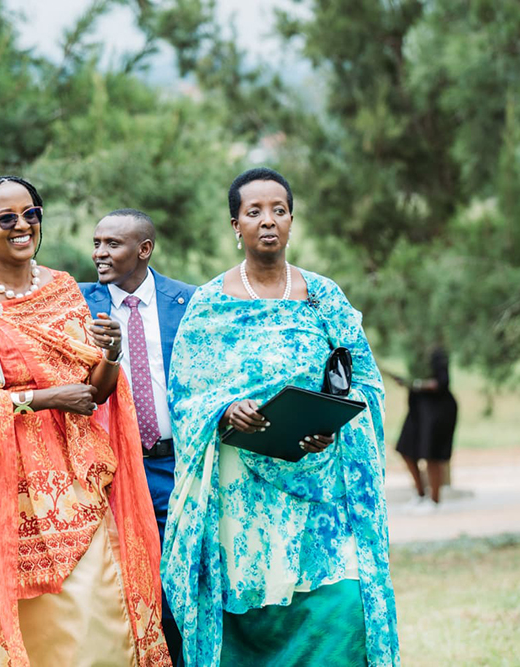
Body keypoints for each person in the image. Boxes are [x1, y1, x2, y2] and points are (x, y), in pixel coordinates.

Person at [0, 176, 171, 666]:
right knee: (31, 635)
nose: (22, 225)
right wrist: (46, 397)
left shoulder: (62, 287)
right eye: (6, 218)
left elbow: (94, 392)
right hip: (2, 491)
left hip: (77, 483)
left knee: (96, 625)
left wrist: (111, 354)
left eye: (31, 213)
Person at [161, 168, 399, 666]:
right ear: (236, 225)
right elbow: (185, 395)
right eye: (255, 212)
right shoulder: (209, 304)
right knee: (253, 616)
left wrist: (330, 424)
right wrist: (226, 409)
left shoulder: (324, 296)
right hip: (241, 495)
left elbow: (366, 381)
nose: (268, 221)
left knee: (344, 605)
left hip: (323, 487)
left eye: (279, 211)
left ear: (291, 220)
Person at [79, 208, 195, 663]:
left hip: (175, 464)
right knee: (119, 583)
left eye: (112, 244)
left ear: (144, 249)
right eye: (97, 243)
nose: (99, 253)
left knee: (178, 584)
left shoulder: (189, 302)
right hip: (109, 466)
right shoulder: (79, 304)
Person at [394, 345, 458, 510]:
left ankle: (435, 501)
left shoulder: (436, 350)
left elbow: (441, 382)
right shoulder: (415, 352)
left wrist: (415, 383)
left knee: (432, 454)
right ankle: (421, 494)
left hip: (437, 409)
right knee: (405, 449)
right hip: (417, 408)